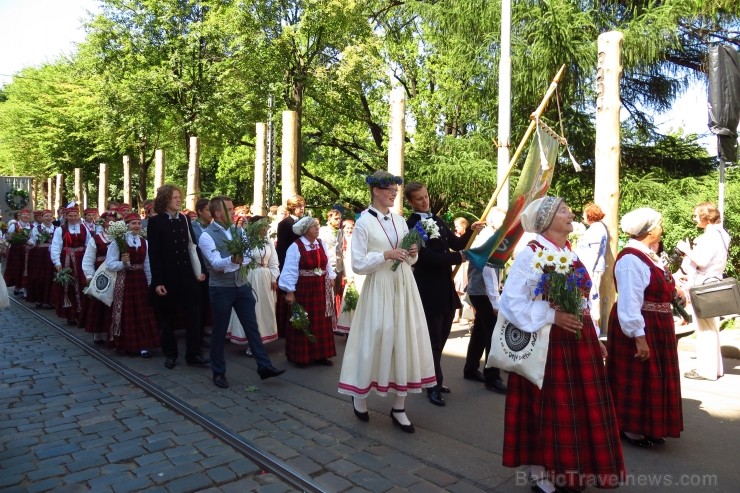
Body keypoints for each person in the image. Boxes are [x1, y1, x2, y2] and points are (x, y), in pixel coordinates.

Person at [499, 196, 624, 492]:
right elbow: (511, 302)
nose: (570, 214)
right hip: (547, 341)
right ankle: (540, 473)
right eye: (562, 211)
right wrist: (552, 315)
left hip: (577, 340)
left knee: (573, 409)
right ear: (546, 220)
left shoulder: (568, 251)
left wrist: (593, 337)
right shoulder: (532, 253)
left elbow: (581, 300)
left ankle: (570, 469)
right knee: (543, 407)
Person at [338, 171, 435, 433]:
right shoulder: (362, 223)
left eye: (395, 189)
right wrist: (385, 255)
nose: (394, 193)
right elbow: (357, 264)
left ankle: (399, 406)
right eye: (389, 189)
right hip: (379, 288)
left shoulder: (400, 220)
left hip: (403, 286)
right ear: (376, 191)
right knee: (374, 339)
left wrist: (412, 253)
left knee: (404, 339)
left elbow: (410, 259)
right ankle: (359, 396)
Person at [606, 207, 683, 449]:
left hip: (657, 325)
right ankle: (630, 426)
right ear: (649, 230)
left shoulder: (649, 255)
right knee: (637, 376)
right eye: (659, 224)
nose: (661, 227)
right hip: (641, 325)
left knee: (653, 377)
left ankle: (649, 424)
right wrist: (639, 336)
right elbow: (629, 302)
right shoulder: (630, 259)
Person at [405, 182, 481, 407]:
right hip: (428, 288)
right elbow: (425, 258)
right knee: (433, 340)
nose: (425, 201)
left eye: (426, 196)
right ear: (411, 201)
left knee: (443, 335)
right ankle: (433, 385)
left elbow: (456, 242)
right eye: (419, 198)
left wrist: (471, 231)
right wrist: (460, 257)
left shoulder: (436, 220)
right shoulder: (411, 225)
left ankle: (432, 378)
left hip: (445, 286)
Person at [198, 196, 285, 389]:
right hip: (221, 288)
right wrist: (233, 261)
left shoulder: (239, 231)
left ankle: (264, 366)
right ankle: (218, 372)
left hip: (242, 285)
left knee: (252, 327)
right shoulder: (206, 236)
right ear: (218, 213)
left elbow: (247, 258)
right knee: (219, 331)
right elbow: (215, 264)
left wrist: (233, 262)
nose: (233, 212)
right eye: (229, 209)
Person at [147, 184, 209, 370]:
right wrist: (157, 281)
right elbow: (154, 254)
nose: (178, 200)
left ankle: (193, 354)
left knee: (194, 315)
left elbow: (192, 246)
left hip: (186, 275)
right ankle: (171, 354)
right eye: (174, 197)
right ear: (166, 199)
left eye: (179, 197)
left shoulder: (184, 219)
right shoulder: (156, 222)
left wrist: (200, 270)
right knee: (167, 318)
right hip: (167, 276)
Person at [676, 202, 730, 381]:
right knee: (711, 327)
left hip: (703, 285)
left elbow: (702, 261)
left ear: (705, 218)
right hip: (713, 281)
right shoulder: (722, 234)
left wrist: (686, 250)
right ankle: (715, 369)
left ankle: (706, 371)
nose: (694, 219)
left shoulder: (710, 237)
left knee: (705, 329)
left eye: (696, 215)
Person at [278, 216, 337, 366]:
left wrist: (331, 276)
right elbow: (289, 269)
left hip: (320, 288)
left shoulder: (320, 243)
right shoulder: (296, 246)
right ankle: (301, 356)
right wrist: (289, 291)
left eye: (317, 225)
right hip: (304, 288)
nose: (317, 228)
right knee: (304, 320)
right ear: (305, 230)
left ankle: (321, 354)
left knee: (321, 321)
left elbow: (327, 263)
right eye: (314, 227)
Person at [463, 207, 507, 393]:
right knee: (492, 333)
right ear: (492, 220)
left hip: (480, 290)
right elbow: (488, 269)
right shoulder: (488, 237)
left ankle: (471, 368)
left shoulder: (489, 236)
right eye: (502, 219)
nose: (505, 223)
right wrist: (496, 301)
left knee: (482, 330)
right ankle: (492, 377)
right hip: (482, 291)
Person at [105, 213, 160, 357]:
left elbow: (147, 264)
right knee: (127, 311)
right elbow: (109, 264)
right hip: (125, 281)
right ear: (127, 225)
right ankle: (127, 344)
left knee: (143, 312)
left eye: (138, 224)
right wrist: (123, 264)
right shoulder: (118, 241)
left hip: (140, 281)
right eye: (133, 224)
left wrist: (150, 283)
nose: (136, 226)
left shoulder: (144, 242)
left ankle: (144, 345)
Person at [226, 216, 280, 355]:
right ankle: (252, 342)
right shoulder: (246, 240)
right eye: (262, 225)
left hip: (265, 277)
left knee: (264, 310)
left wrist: (274, 278)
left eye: (267, 226)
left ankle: (261, 339)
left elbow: (274, 261)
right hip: (250, 275)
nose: (265, 228)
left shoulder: (268, 240)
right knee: (252, 309)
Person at [80, 211, 116, 344]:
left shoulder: (120, 238)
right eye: (108, 221)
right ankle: (98, 332)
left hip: (116, 273)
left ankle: (113, 331)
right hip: (101, 273)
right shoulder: (96, 239)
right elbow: (88, 259)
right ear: (103, 223)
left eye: (114, 221)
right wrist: (89, 276)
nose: (111, 224)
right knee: (100, 302)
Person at [50, 206, 90, 325]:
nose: (73, 218)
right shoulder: (60, 230)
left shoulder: (84, 228)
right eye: (70, 216)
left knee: (83, 285)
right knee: (70, 285)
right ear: (66, 217)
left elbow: (89, 244)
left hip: (82, 260)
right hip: (67, 260)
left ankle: (82, 314)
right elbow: (56, 247)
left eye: (75, 215)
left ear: (78, 216)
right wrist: (57, 262)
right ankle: (71, 314)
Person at [275, 195, 306, 337]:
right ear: (292, 207)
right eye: (299, 206)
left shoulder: (306, 222)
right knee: (289, 296)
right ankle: (288, 328)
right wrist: (282, 269)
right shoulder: (284, 224)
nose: (302, 208)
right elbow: (282, 248)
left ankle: (301, 323)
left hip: (304, 265)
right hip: (290, 263)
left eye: (303, 205)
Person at [575, 203, 608, 328]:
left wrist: (587, 271)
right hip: (588, 267)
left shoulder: (597, 228)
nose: (583, 216)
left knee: (593, 295)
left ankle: (594, 326)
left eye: (584, 213)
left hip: (591, 268)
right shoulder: (596, 228)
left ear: (590, 215)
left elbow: (594, 251)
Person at [336, 219, 363, 334]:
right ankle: (349, 328)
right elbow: (347, 260)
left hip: (361, 274)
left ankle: (358, 327)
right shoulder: (344, 239)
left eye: (352, 228)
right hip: (352, 273)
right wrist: (349, 275)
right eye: (347, 228)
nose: (350, 230)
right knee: (351, 298)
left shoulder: (357, 239)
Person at [25, 210, 57, 309]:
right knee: (40, 277)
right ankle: (39, 299)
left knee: (52, 277)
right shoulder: (36, 229)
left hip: (52, 255)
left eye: (50, 216)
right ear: (42, 218)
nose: (48, 218)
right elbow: (33, 241)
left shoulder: (57, 229)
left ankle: (50, 300)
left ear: (52, 218)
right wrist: (29, 242)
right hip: (40, 256)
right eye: (46, 216)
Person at [3, 208, 34, 297]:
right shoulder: (14, 225)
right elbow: (8, 237)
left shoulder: (31, 227)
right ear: (19, 216)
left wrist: (30, 242)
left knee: (27, 269)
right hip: (16, 250)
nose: (26, 216)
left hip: (28, 250)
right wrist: (14, 239)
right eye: (24, 214)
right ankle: (17, 286)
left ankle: (25, 288)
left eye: (28, 215)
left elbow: (33, 238)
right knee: (17, 268)